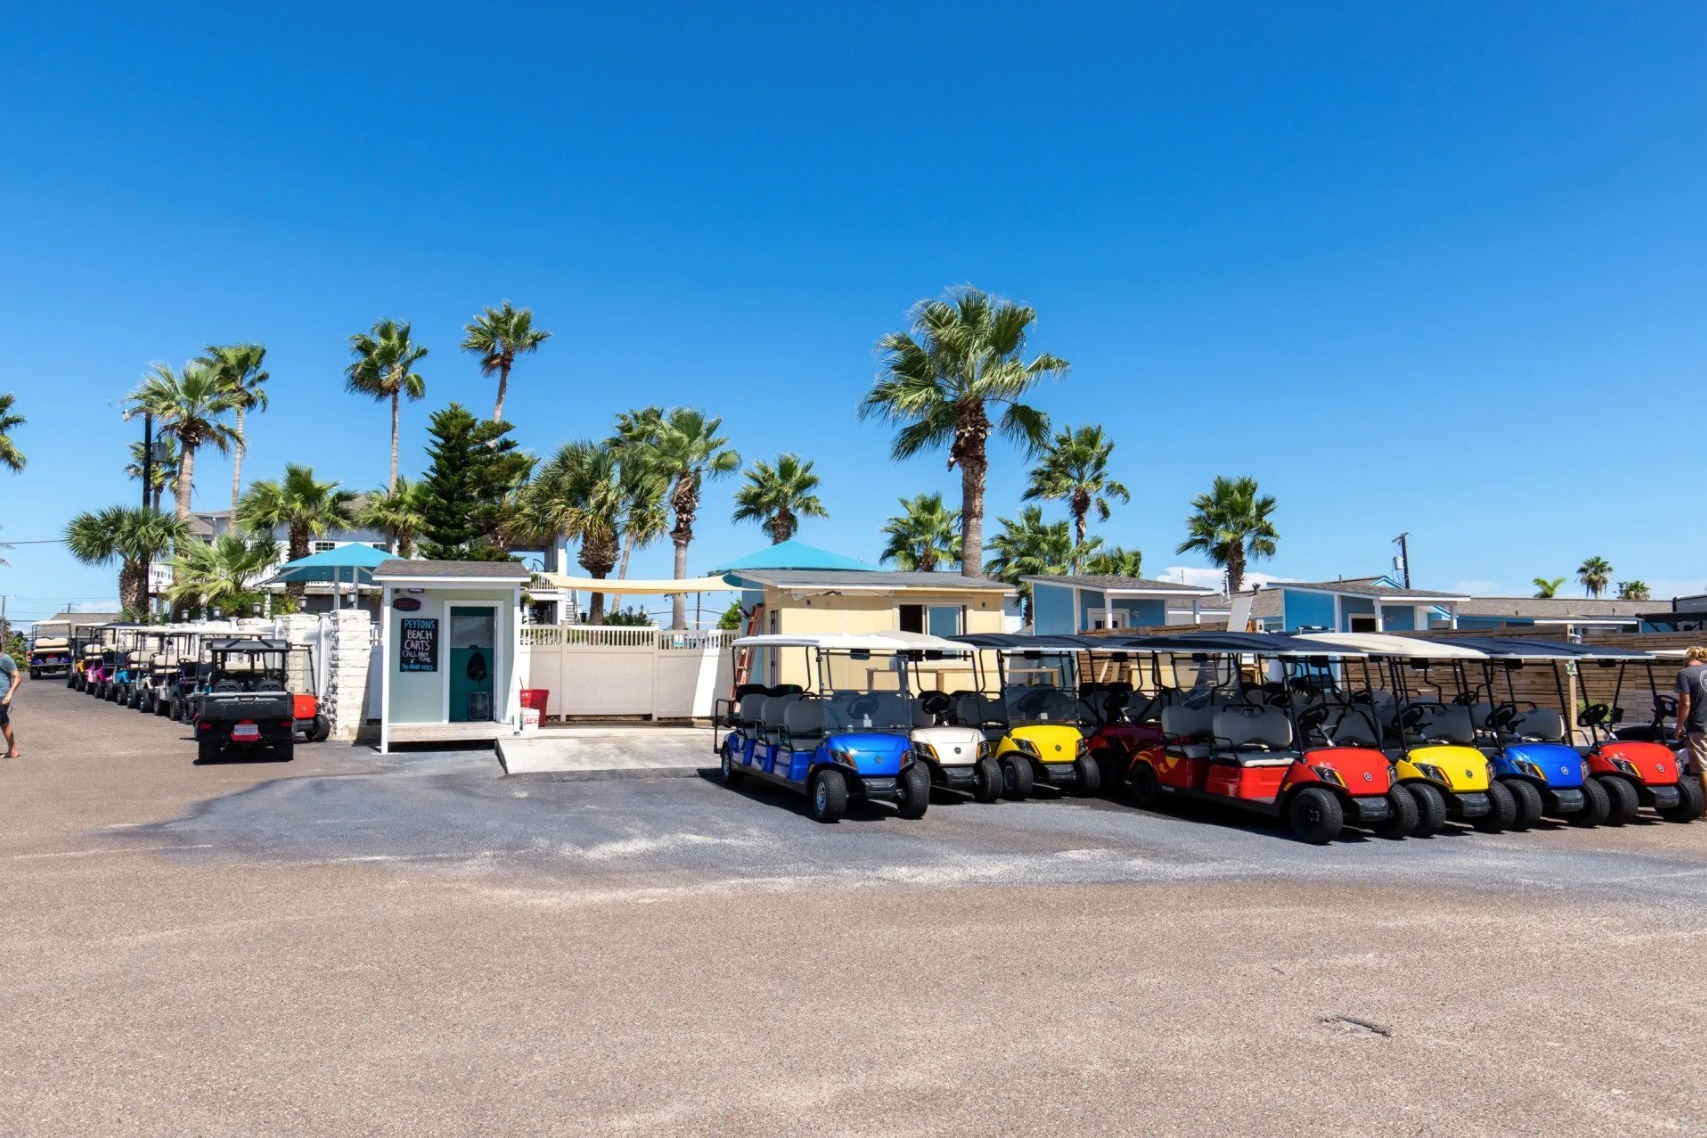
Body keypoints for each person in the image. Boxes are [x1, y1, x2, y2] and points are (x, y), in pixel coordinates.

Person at [1678, 646, 1707, 814]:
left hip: (1699, 725)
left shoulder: (1685, 674)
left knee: (1702, 767)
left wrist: (1679, 727)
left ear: (1687, 657)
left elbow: (1685, 704)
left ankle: (1705, 808)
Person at [0, 645, 18, 759]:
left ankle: (13, 750)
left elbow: (17, 677)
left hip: (2, 695)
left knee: (3, 721)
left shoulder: (5, 659)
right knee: (3, 722)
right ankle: (12, 750)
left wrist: (10, 694)